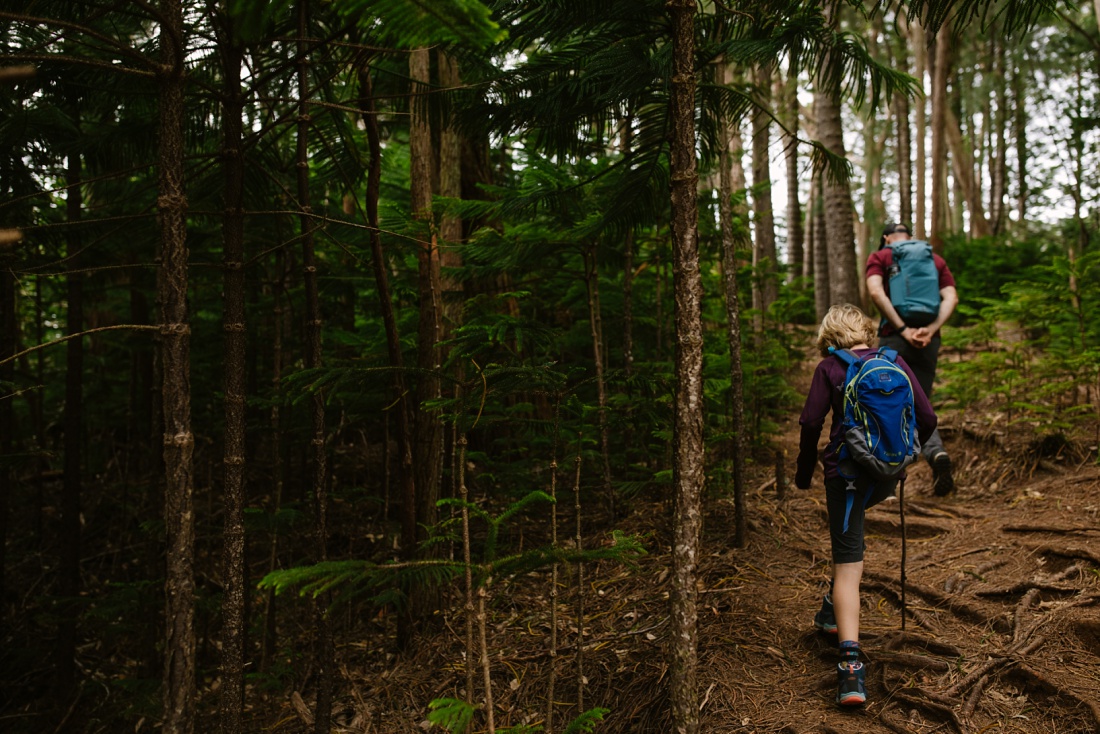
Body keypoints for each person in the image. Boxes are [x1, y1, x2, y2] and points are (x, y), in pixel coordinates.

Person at [795, 304, 937, 707]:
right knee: (851, 543)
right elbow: (927, 417)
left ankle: (851, 671)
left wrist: (805, 473)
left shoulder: (829, 368)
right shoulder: (892, 361)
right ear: (864, 331)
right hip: (886, 474)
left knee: (848, 566)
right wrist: (904, 455)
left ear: (830, 335)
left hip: (846, 474)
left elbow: (809, 424)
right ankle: (829, 610)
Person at [865, 223, 959, 496]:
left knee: (888, 406)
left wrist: (903, 330)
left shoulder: (881, 256)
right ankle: (936, 453)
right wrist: (929, 330)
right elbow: (951, 298)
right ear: (909, 237)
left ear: (886, 238)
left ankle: (889, 484)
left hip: (895, 339)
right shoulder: (934, 259)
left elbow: (875, 292)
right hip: (928, 341)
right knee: (922, 406)